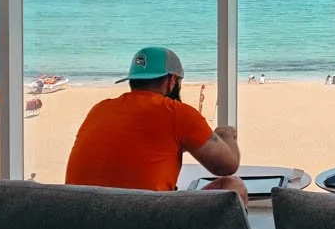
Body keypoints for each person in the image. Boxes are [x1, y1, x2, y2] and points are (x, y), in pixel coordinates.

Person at [66, 47, 246, 203]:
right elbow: (226, 166)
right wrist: (227, 134)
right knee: (232, 186)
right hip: (146, 224)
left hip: (83, 223)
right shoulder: (176, 112)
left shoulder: (100, 109)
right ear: (172, 80)